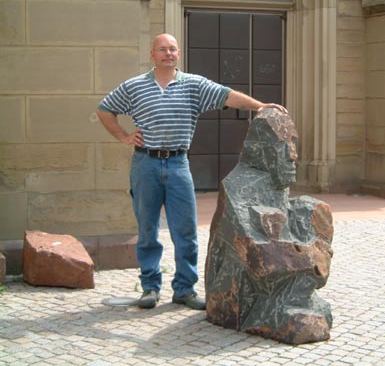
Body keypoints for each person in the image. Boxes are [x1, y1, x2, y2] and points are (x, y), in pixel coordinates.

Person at [96, 33, 287, 310]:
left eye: (173, 49)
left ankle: (184, 289)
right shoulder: (134, 86)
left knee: (185, 231)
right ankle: (150, 288)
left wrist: (259, 106)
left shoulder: (193, 85)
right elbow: (105, 109)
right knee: (147, 229)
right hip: (145, 164)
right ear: (153, 54)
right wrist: (124, 136)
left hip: (178, 164)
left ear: (179, 54)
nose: (168, 54)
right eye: (162, 49)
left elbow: (227, 95)